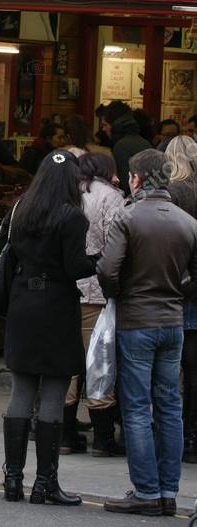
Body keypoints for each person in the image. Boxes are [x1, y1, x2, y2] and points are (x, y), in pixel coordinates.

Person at [98, 149, 197, 516]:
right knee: (170, 405)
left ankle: (146, 491)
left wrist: (121, 294)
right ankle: (168, 492)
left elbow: (107, 270)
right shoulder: (188, 222)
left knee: (138, 406)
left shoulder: (128, 217)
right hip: (173, 322)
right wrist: (176, 293)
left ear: (137, 179)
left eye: (130, 176)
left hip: (137, 321)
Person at [0, 149, 97, 506]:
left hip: (22, 304)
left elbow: (5, 255)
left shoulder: (19, 210)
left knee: (21, 389)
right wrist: (99, 260)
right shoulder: (72, 217)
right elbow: (76, 267)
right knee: (55, 391)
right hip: (56, 307)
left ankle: (13, 480)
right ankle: (45, 484)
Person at [61, 152, 124, 456]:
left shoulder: (67, 194)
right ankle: (103, 438)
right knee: (100, 363)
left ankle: (65, 435)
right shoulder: (111, 198)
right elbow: (117, 247)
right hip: (98, 294)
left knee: (67, 365)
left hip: (66, 291)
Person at [164, 134, 197, 463]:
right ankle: (191, 435)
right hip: (192, 285)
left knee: (172, 368)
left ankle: (176, 435)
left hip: (175, 287)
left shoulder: (171, 193)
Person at [101, 101, 148, 195]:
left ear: (115, 126)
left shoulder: (121, 147)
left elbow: (124, 184)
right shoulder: (143, 142)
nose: (103, 129)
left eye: (105, 125)